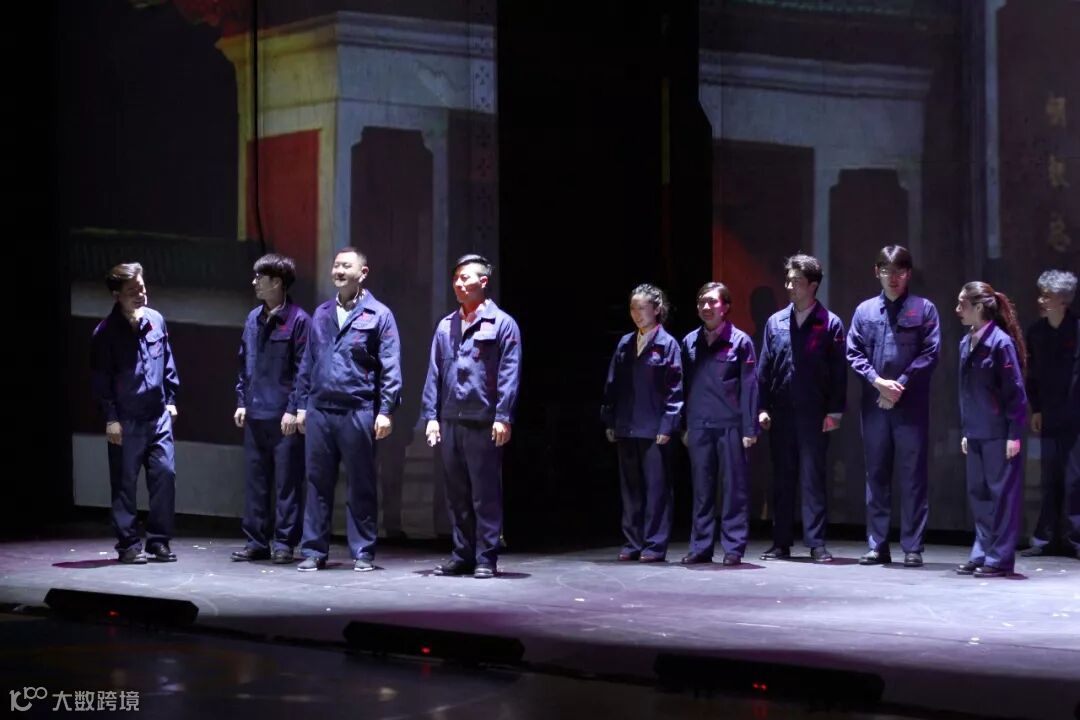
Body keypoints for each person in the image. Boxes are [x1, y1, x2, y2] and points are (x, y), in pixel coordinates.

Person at [294, 247, 402, 572]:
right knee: (317, 483)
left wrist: (386, 410)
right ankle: (314, 550)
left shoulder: (379, 315)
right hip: (320, 410)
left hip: (358, 409)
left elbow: (391, 365)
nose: (339, 271)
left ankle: (363, 552)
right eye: (336, 265)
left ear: (363, 273)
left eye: (346, 266)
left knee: (361, 484)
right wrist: (301, 405)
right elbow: (307, 362)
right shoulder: (322, 313)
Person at [422, 254, 522, 579]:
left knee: (484, 494)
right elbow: (435, 373)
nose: (459, 284)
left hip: (483, 420)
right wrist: (431, 416)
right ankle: (462, 554)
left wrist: (503, 416)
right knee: (457, 494)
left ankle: (486, 557)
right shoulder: (446, 325)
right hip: (451, 418)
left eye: (465, 278)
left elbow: (509, 373)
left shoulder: (502, 324)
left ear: (483, 281)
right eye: (456, 279)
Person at [846, 246, 941, 567]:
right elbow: (854, 352)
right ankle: (878, 545)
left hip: (910, 405)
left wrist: (899, 385)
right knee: (876, 475)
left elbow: (930, 353)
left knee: (913, 476)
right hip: (876, 404)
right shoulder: (864, 311)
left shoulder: (924, 309)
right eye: (887, 270)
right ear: (877, 272)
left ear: (908, 274)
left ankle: (912, 547)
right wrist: (878, 383)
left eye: (899, 271)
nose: (893, 277)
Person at [757, 254, 847, 563]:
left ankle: (816, 543)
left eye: (796, 281)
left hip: (814, 413)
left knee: (812, 479)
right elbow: (765, 369)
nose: (789, 286)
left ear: (813, 285)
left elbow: (838, 372)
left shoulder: (830, 323)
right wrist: (762, 407)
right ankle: (780, 542)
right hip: (781, 412)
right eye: (788, 281)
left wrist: (834, 411)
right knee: (782, 479)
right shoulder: (776, 322)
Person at [90, 263, 180, 564]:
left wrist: (171, 399)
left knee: (165, 475)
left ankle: (158, 541)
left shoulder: (156, 320)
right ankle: (128, 544)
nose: (141, 294)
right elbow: (101, 380)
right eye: (132, 291)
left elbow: (168, 362)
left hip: (158, 416)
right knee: (124, 483)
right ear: (117, 295)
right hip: (126, 420)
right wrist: (111, 418)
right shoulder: (105, 333)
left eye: (142, 288)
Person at [231, 254, 310, 564]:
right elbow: (244, 363)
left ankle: (285, 543)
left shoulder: (299, 320)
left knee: (287, 483)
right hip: (255, 414)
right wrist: (242, 401)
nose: (254, 282)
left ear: (277, 282)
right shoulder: (253, 318)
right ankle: (256, 542)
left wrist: (294, 408)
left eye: (259, 278)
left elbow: (304, 370)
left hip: (283, 416)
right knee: (255, 482)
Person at [602, 284, 683, 563]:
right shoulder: (625, 343)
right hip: (627, 425)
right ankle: (632, 542)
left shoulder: (668, 344)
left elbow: (675, 390)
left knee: (657, 489)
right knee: (631, 489)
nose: (636, 313)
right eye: (633, 308)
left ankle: (655, 544)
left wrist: (668, 425)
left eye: (642, 308)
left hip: (654, 429)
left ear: (656, 309)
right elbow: (612, 384)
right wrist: (610, 419)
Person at [680, 282, 758, 566]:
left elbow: (750, 387)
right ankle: (700, 547)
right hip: (699, 424)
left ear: (725, 307)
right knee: (702, 489)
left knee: (733, 489)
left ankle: (733, 547)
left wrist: (749, 428)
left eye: (712, 302)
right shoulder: (689, 342)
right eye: (702, 302)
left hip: (730, 425)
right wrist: (684, 426)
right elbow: (682, 386)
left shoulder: (740, 341)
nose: (706, 307)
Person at [955, 282, 1028, 577]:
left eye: (962, 304)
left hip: (998, 433)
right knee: (979, 495)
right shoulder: (966, 342)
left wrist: (1014, 434)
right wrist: (966, 430)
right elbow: (966, 392)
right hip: (976, 432)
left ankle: (999, 557)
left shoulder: (1000, 343)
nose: (958, 310)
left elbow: (1015, 393)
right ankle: (982, 552)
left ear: (978, 307)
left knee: (1002, 497)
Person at [1022, 270, 1079, 559]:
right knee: (1048, 478)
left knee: (1074, 479)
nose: (1041, 300)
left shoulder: (1078, 330)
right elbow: (1032, 375)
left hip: (1076, 417)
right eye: (1041, 294)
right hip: (1049, 415)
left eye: (1048, 296)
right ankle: (1044, 538)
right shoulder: (1036, 333)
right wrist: (1036, 408)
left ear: (1063, 300)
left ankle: (1074, 539)